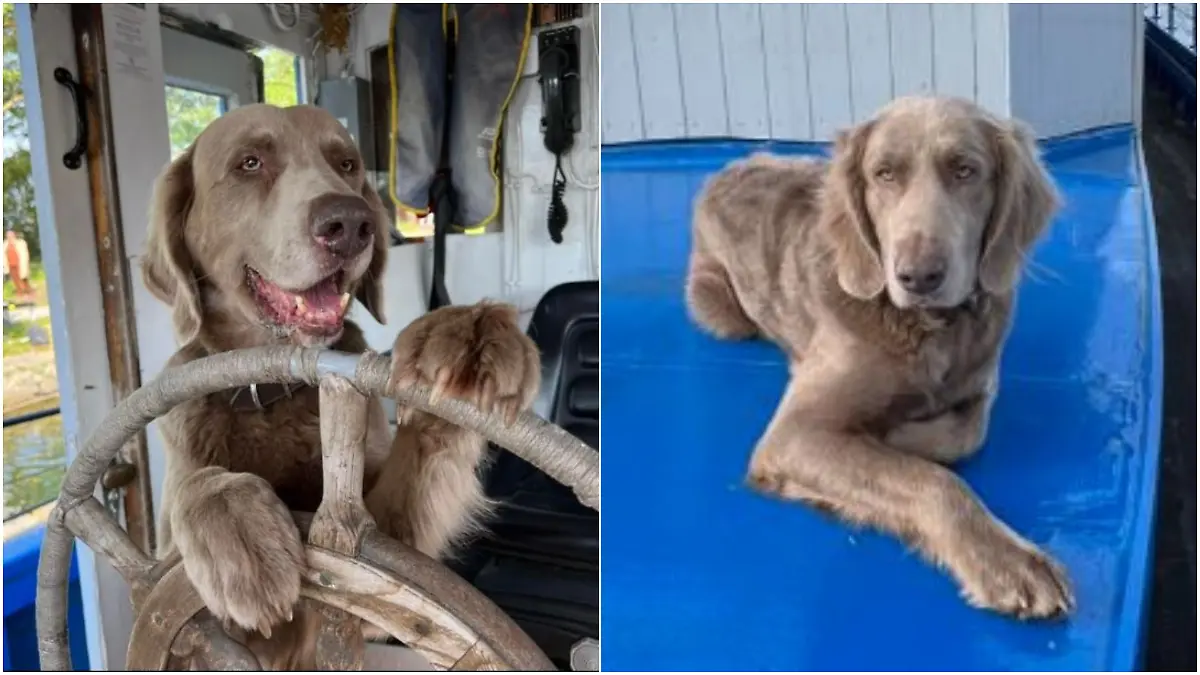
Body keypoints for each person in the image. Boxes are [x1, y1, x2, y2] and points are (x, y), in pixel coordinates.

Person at [4, 229, 32, 297]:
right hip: (10, 265)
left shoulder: (20, 243)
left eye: (11, 235)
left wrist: (25, 263)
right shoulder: (4, 244)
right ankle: (20, 292)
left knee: (23, 278)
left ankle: (28, 292)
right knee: (15, 279)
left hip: (20, 264)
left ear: (14, 235)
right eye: (8, 235)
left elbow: (25, 254)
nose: (9, 237)